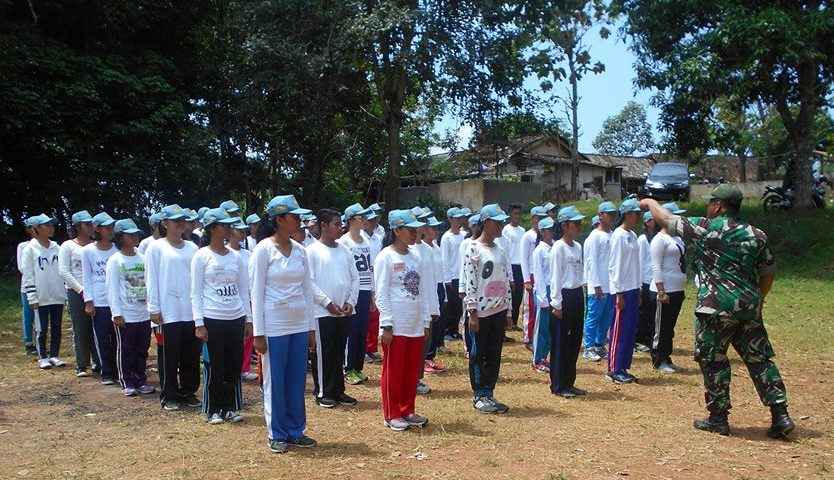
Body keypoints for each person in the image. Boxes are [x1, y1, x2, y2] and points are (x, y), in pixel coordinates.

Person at [641, 185, 794, 438]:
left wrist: (649, 202)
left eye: (710, 202)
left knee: (713, 362)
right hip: (748, 308)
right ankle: (781, 415)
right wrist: (757, 299)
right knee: (760, 360)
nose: (708, 207)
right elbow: (768, 272)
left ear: (719, 206)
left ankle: (718, 419)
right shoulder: (757, 235)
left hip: (714, 309)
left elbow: (665, 218)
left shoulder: (706, 228)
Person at [251, 195, 338, 453]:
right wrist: (259, 332)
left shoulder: (301, 251)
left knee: (296, 380)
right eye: (294, 217)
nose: (300, 222)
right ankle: (276, 433)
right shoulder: (263, 250)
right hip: (274, 325)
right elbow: (256, 292)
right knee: (275, 381)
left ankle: (295, 429)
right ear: (279, 219)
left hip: (299, 323)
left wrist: (310, 327)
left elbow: (306, 289)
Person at [191, 208, 252, 424]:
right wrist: (199, 323)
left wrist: (249, 319)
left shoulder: (237, 257)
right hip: (213, 317)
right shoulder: (201, 256)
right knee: (215, 365)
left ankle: (229, 407)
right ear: (213, 228)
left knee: (233, 364)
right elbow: (196, 292)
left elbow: (244, 290)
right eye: (225, 225)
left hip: (235, 317)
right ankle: (213, 408)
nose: (229, 229)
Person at [374, 209, 430, 431]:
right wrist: (386, 324)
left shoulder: (416, 256)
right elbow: (381, 293)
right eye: (410, 229)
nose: (415, 234)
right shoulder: (385, 257)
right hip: (396, 324)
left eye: (416, 229)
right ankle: (392, 413)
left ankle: (407, 409)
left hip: (415, 323)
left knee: (410, 370)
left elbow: (422, 290)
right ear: (397, 230)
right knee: (394, 371)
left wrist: (425, 321)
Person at [145, 204, 201, 411]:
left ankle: (188, 391)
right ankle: (169, 394)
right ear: (165, 223)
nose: (180, 225)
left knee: (191, 354)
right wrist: (154, 308)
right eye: (175, 221)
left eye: (182, 221)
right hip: (168, 312)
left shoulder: (192, 248)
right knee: (169, 355)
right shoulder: (156, 247)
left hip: (190, 311)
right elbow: (150, 278)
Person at [463, 204, 512, 414]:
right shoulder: (473, 248)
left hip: (498, 311)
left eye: (502, 222)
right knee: (479, 353)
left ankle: (489, 392)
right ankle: (479, 394)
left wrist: (508, 311)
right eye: (497, 222)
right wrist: (472, 312)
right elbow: (470, 281)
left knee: (494, 354)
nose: (501, 226)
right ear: (486, 222)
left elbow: (505, 280)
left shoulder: (500, 250)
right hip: (480, 313)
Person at [307, 209, 359, 409]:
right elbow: (309, 283)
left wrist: (350, 302)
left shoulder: (344, 250)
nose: (340, 228)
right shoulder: (312, 251)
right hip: (322, 312)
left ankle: (338, 389)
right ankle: (323, 391)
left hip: (344, 311)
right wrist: (327, 302)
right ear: (323, 225)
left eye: (340, 224)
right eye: (336, 224)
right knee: (323, 351)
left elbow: (354, 278)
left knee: (339, 351)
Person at [106, 219, 155, 397]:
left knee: (142, 348)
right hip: (126, 313)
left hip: (143, 312)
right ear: (120, 237)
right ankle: (127, 380)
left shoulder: (143, 258)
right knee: (126, 348)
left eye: (136, 234)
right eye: (130, 234)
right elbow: (111, 288)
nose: (135, 237)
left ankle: (141, 379)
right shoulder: (115, 261)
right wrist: (116, 313)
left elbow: (150, 283)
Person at [549, 206, 587, 398]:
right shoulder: (558, 248)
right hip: (563, 296)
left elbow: (580, 273)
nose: (579, 226)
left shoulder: (578, 246)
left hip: (576, 294)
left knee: (574, 341)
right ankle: (558, 384)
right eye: (576, 223)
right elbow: (555, 277)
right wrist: (556, 303)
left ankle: (569, 382)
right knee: (561, 343)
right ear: (565, 226)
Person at [21, 214, 66, 369]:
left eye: (52, 225)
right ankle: (43, 356)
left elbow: (63, 270)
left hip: (57, 294)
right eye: (47, 225)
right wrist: (32, 296)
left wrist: (64, 291)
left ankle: (54, 354)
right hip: (41, 296)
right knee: (41, 328)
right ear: (37, 229)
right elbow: (28, 274)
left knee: (56, 326)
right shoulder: (30, 249)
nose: (51, 228)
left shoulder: (57, 247)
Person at [606, 198, 643, 384]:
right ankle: (614, 368)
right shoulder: (618, 235)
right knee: (619, 330)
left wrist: (638, 289)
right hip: (621, 289)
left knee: (629, 330)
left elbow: (636, 265)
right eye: (635, 213)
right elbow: (615, 266)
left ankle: (623, 366)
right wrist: (619, 292)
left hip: (633, 288)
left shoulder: (633, 235)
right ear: (627, 215)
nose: (637, 217)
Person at [648, 202, 688, 373]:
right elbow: (656, 266)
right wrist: (661, 290)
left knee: (669, 327)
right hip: (663, 291)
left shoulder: (677, 238)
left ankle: (666, 356)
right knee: (660, 327)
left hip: (677, 289)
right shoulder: (659, 239)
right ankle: (658, 358)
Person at [59, 210, 99, 377]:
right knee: (80, 327)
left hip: (95, 291)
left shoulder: (95, 245)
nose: (91, 227)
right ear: (78, 226)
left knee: (97, 328)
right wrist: (81, 289)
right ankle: (82, 364)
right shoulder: (68, 246)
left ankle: (99, 361)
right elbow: (64, 271)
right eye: (87, 224)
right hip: (76, 292)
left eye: (92, 224)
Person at [82, 212, 119, 384]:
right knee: (102, 337)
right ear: (98, 229)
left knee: (118, 338)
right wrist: (88, 301)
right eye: (106, 227)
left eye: (112, 227)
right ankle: (107, 372)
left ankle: (120, 369)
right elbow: (87, 277)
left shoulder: (117, 249)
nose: (110, 230)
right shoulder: (88, 251)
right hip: (100, 300)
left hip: (118, 301)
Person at [583, 202, 618, 362]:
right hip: (598, 285)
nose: (611, 217)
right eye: (608, 214)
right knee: (594, 316)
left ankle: (599, 344)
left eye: (613, 214)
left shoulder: (613, 234)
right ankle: (588, 347)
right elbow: (591, 262)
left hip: (611, 285)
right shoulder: (594, 237)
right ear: (600, 215)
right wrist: (596, 284)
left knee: (606, 317)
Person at [411, 209, 441, 395]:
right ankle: (407, 378)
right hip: (411, 305)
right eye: (420, 222)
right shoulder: (407, 250)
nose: (424, 226)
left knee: (424, 343)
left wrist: (434, 306)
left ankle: (417, 378)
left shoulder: (428, 250)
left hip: (427, 305)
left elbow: (431, 281)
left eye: (425, 223)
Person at [229, 221, 258, 382]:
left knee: (248, 335)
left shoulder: (248, 254)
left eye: (244, 231)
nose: (242, 233)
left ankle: (244, 367)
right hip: (231, 299)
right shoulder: (226, 252)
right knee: (234, 337)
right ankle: (234, 367)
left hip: (248, 298)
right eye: (239, 230)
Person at [520, 206, 550, 347]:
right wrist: (526, 279)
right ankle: (528, 336)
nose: (540, 220)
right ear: (533, 218)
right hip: (532, 274)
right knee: (530, 307)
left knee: (540, 308)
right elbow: (524, 259)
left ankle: (538, 334)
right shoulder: (528, 236)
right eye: (538, 217)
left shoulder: (546, 236)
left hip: (543, 275)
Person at [421, 216, 447, 374]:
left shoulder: (436, 247)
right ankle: (424, 359)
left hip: (438, 286)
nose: (436, 231)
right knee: (427, 326)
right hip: (428, 287)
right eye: (433, 228)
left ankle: (430, 356)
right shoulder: (421, 248)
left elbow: (441, 271)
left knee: (436, 325)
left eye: (437, 228)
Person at [530, 217, 555, 373]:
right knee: (542, 328)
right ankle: (537, 359)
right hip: (542, 290)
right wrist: (542, 297)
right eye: (549, 229)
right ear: (542, 231)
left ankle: (545, 357)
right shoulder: (539, 250)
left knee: (550, 328)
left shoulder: (554, 247)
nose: (552, 232)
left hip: (552, 289)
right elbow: (538, 275)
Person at [440, 206, 468, 341]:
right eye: (456, 219)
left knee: (459, 306)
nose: (459, 221)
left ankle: (455, 329)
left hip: (462, 274)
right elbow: (445, 259)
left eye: (460, 218)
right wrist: (447, 278)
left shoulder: (463, 235)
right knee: (452, 305)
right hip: (452, 275)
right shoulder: (446, 237)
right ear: (450, 219)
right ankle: (448, 330)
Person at [635, 211, 658, 353]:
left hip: (654, 280)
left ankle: (650, 338)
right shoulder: (642, 239)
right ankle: (640, 339)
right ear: (648, 222)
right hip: (644, 280)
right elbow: (639, 262)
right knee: (644, 312)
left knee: (652, 312)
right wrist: (639, 285)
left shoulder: (656, 237)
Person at [363, 209, 384, 364]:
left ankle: (371, 348)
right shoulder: (361, 238)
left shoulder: (377, 238)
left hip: (377, 277)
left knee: (375, 316)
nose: (373, 223)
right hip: (365, 279)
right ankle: (364, 348)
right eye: (370, 220)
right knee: (366, 317)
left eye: (374, 220)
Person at [502, 204, 526, 330]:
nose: (517, 216)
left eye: (519, 213)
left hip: (520, 265)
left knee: (518, 296)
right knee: (510, 294)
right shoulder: (506, 229)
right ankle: (507, 321)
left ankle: (515, 321)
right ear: (510, 215)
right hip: (511, 265)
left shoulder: (522, 231)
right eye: (515, 213)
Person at [17, 218, 37, 355]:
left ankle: (39, 341)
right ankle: (29, 342)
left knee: (39, 316)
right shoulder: (23, 246)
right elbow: (22, 267)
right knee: (28, 314)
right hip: (28, 286)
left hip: (44, 287)